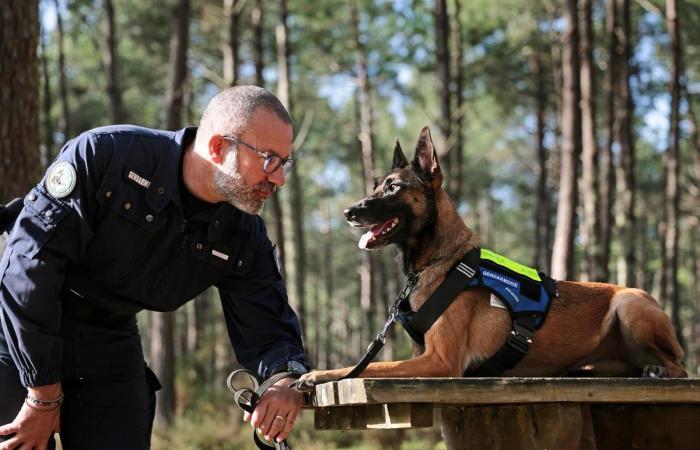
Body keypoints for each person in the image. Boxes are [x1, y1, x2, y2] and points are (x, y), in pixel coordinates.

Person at [0, 85, 310, 449]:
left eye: (284, 163)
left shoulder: (244, 233)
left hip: (111, 340)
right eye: (268, 159)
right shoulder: (108, 155)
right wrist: (42, 394)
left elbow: (269, 328)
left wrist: (284, 380)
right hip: (19, 331)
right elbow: (28, 269)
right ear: (217, 148)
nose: (279, 179)